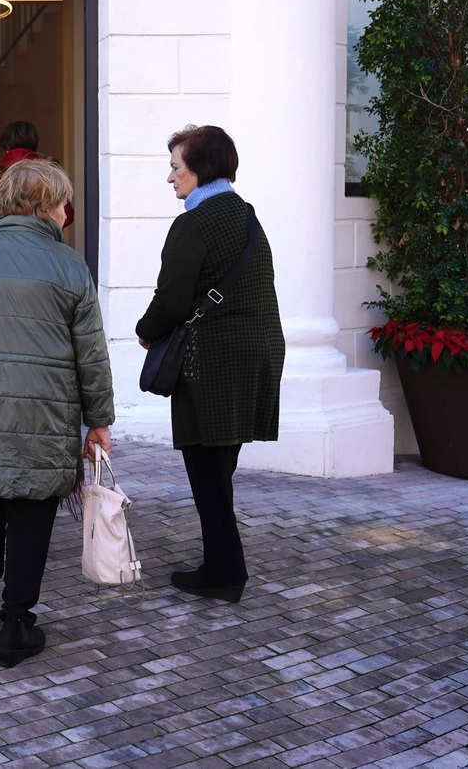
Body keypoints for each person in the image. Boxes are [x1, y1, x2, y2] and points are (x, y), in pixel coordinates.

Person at [0, 158, 114, 668]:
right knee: (32, 506)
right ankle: (16, 624)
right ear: (45, 206)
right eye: (61, 203)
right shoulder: (70, 266)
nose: (64, 213)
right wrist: (99, 420)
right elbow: (91, 353)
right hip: (44, 409)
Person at [135, 125, 284, 603]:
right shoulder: (246, 216)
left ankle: (224, 573)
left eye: (176, 167)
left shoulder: (194, 223)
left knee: (208, 472)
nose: (170, 177)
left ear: (202, 169)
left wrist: (145, 331)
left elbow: (172, 298)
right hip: (255, 356)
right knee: (219, 469)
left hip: (212, 364)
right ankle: (222, 565)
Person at [0, 120, 73, 237]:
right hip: (44, 242)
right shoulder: (50, 174)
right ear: (35, 142)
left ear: (6, 144)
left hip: (3, 243)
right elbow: (67, 216)